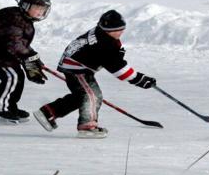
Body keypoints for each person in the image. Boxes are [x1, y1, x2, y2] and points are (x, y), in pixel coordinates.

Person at [35, 10, 156, 138]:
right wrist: (139, 79)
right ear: (106, 30)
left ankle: (48, 112)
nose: (120, 32)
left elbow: (112, 58)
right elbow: (118, 69)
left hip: (74, 65)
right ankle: (87, 126)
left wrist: (117, 54)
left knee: (82, 97)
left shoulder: (102, 34)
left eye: (121, 29)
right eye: (116, 30)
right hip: (77, 68)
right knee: (93, 96)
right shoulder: (104, 44)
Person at [0, 0, 52, 125]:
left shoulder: (24, 20)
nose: (40, 12)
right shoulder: (13, 19)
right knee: (12, 78)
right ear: (25, 6)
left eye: (43, 9)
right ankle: (0, 109)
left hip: (7, 55)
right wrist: (30, 57)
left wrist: (33, 63)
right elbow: (14, 44)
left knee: (18, 77)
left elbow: (21, 45)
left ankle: (9, 106)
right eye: (37, 8)